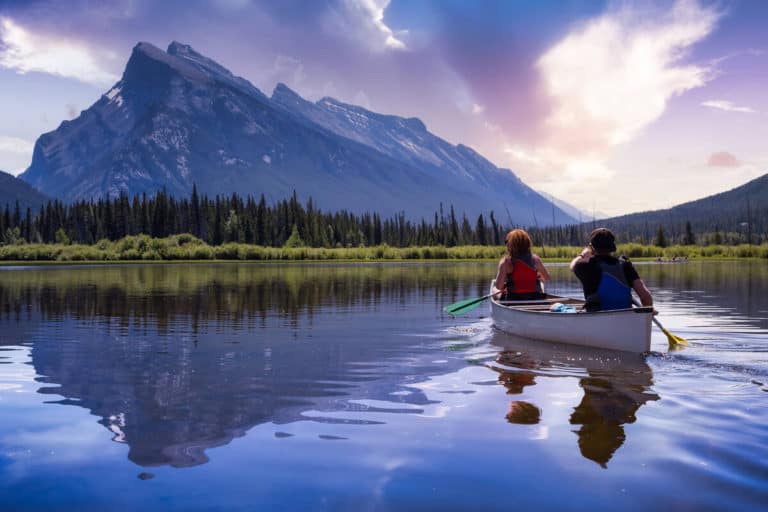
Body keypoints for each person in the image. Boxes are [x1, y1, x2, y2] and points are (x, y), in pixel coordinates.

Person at [569, 228, 654, 312]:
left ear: (592, 247)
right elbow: (645, 296)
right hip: (626, 317)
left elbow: (572, 266)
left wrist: (582, 255)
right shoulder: (625, 265)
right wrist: (648, 313)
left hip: (597, 319)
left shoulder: (588, 266)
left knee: (557, 306)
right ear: (612, 247)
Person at [493, 229, 550, 300]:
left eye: (506, 242)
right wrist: (538, 277)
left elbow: (499, 286)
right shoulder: (535, 259)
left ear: (510, 244)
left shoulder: (506, 261)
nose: (506, 244)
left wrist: (506, 284)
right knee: (541, 284)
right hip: (535, 297)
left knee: (494, 289)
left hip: (513, 299)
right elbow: (547, 277)